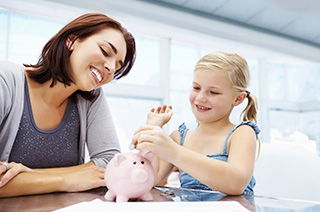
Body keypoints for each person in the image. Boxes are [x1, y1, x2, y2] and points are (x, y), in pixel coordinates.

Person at [0, 13, 136, 197]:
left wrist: (30, 177)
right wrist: (68, 179)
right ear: (71, 41)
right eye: (105, 51)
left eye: (117, 67)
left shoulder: (91, 97)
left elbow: (110, 163)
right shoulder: (5, 80)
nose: (111, 68)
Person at [132, 51, 260, 195]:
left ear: (238, 99)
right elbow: (149, 179)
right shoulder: (179, 138)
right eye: (196, 88)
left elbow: (236, 183)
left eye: (213, 92)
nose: (200, 98)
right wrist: (151, 130)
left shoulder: (242, 133)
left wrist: (173, 152)